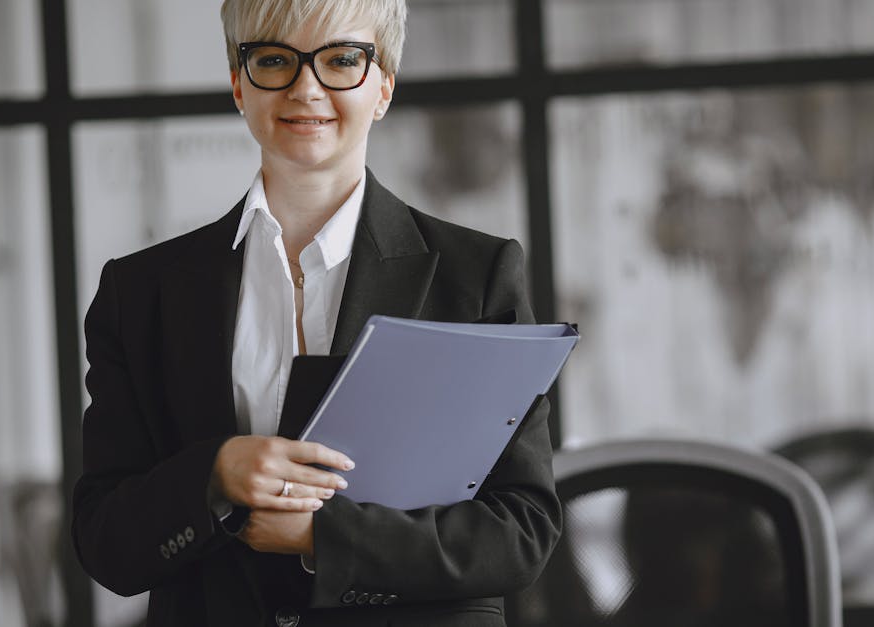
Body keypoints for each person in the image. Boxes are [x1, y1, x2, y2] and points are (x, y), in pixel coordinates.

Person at [71, 1, 562, 624]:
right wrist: (216, 474)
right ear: (237, 84)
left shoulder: (477, 277)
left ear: (383, 87)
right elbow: (104, 541)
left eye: (341, 60)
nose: (307, 88)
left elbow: (522, 528)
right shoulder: (140, 291)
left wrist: (325, 537)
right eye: (274, 60)